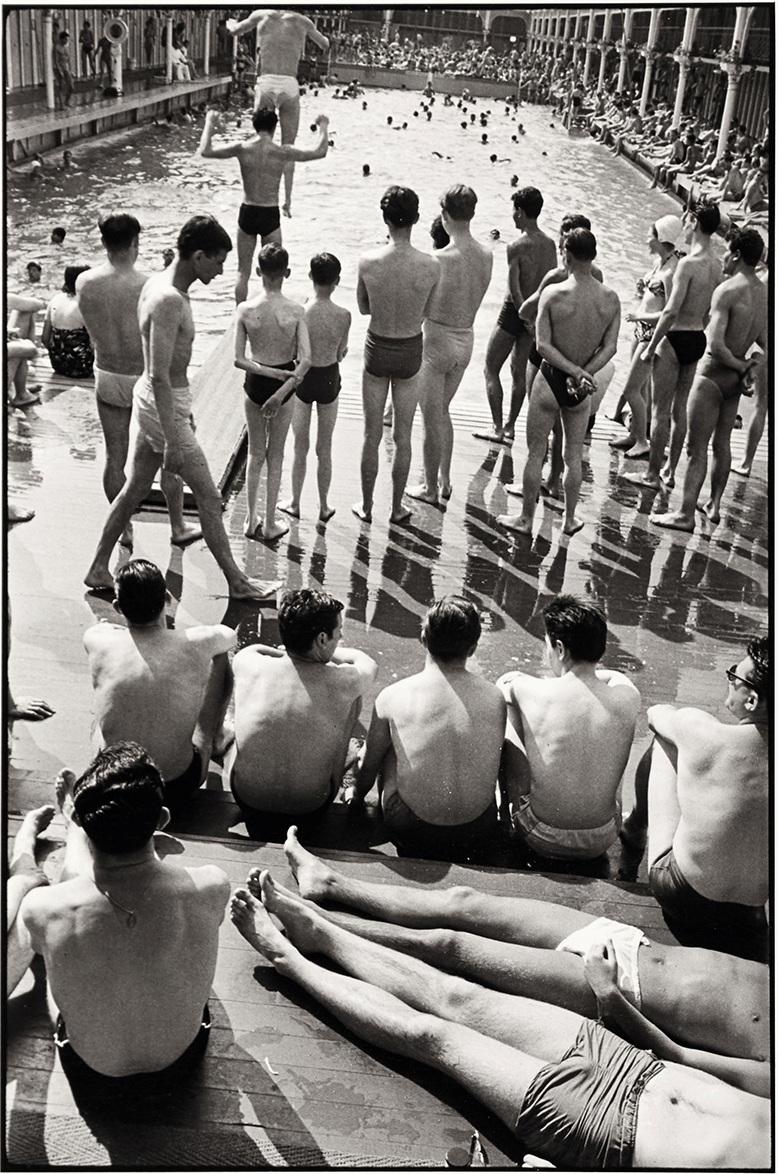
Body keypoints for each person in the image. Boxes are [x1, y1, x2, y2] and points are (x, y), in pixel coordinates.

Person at [231, 875, 769, 1170]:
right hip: (632, 1065)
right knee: (457, 996)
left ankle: (289, 959)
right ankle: (321, 933)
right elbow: (686, 1058)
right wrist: (610, 999)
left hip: (609, 1136)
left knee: (433, 1037)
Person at [239, 833, 770, 1097]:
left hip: (625, 991)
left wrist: (609, 996)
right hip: (628, 943)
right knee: (464, 903)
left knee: (449, 947)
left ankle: (319, 929)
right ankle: (331, 885)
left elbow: (680, 1059)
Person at [8, 744, 230, 1087]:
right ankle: (128, 844)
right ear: (161, 819)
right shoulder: (213, 883)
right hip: (182, 1064)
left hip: (93, 1074)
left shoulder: (42, 907)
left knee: (64, 895)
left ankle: (60, 836)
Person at [84, 215, 274, 602]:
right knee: (209, 496)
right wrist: (172, 436)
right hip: (161, 406)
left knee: (135, 487)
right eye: (219, 261)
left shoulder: (156, 283)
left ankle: (98, 566)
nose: (222, 271)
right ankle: (237, 582)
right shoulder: (169, 299)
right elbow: (157, 374)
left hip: (160, 403)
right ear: (199, 256)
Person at [622, 636, 769, 963]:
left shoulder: (704, 732)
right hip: (750, 912)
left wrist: (696, 729)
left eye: (735, 677)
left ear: (752, 700)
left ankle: (633, 831)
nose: (730, 681)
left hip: (684, 895)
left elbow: (656, 713)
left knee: (666, 741)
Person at [76, 213, 199, 551]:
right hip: (143, 379)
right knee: (167, 453)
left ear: (103, 242)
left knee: (115, 458)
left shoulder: (84, 282)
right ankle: (177, 525)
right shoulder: (148, 284)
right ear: (135, 243)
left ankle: (125, 529)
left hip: (107, 375)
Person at [351, 597, 506, 860]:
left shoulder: (393, 695)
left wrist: (356, 798)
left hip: (414, 828)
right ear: (472, 648)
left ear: (423, 638)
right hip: (477, 826)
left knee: (388, 749)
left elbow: (369, 765)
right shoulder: (495, 696)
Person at [83, 559, 236, 811]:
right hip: (175, 785)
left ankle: (108, 758)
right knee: (219, 654)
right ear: (166, 598)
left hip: (114, 782)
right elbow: (229, 636)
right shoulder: (198, 642)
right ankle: (214, 735)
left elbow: (103, 632)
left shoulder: (97, 638)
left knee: (100, 714)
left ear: (117, 607)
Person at [497, 229, 619, 537]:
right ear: (593, 256)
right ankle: (569, 519)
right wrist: (584, 372)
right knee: (572, 455)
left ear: (566, 254)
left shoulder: (554, 294)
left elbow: (542, 345)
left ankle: (525, 519)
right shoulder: (610, 298)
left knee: (535, 450)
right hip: (582, 387)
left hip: (551, 378)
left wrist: (570, 370)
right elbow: (610, 348)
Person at [498, 596, 639, 861]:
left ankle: (507, 815)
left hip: (542, 835)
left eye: (547, 645)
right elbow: (618, 677)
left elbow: (505, 683)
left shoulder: (528, 690)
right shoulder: (628, 697)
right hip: (603, 835)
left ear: (560, 649)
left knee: (506, 711)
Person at [230, 588, 377, 840]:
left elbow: (257, 649)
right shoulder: (344, 681)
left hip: (248, 799)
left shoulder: (248, 662)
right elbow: (367, 664)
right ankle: (341, 763)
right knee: (353, 698)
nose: (340, 636)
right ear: (321, 639)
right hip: (309, 807)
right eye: (338, 631)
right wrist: (329, 660)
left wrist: (288, 650)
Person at [653, 229, 767, 531]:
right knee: (723, 444)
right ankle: (714, 506)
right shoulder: (765, 293)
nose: (724, 258)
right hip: (733, 381)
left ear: (738, 255)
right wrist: (749, 367)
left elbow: (716, 345)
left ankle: (685, 513)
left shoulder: (727, 290)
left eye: (727, 252)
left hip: (713, 375)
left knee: (695, 447)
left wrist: (742, 365)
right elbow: (767, 343)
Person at [353, 186, 439, 525]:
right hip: (409, 350)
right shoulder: (431, 265)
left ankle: (366, 506)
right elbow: (427, 312)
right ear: (416, 219)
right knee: (403, 436)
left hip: (377, 348)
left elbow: (362, 307)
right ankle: (397, 508)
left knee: (371, 435)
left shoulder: (368, 262)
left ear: (385, 218)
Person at [624, 203, 722, 491]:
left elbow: (669, 313)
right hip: (696, 338)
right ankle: (669, 470)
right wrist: (698, 329)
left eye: (687, 221)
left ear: (693, 222)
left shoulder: (687, 264)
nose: (685, 226)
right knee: (680, 411)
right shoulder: (717, 265)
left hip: (674, 338)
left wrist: (651, 346)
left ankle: (652, 475)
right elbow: (708, 312)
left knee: (661, 411)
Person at [406, 185, 493, 505]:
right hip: (466, 339)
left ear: (444, 215)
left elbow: (420, 309)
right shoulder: (487, 254)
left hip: (437, 341)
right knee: (443, 410)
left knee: (431, 417)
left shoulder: (437, 258)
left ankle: (429, 488)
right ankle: (443, 480)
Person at [198, 107, 330, 303]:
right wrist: (323, 126)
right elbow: (319, 152)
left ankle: (238, 315)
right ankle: (271, 308)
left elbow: (205, 151)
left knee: (242, 271)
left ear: (254, 126)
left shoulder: (242, 148)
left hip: (248, 209)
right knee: (274, 271)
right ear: (275, 127)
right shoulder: (281, 152)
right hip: (269, 212)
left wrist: (209, 122)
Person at [234, 242, 311, 542]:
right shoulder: (296, 310)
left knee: (255, 453)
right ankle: (268, 524)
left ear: (257, 271)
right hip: (285, 386)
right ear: (287, 272)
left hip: (255, 383)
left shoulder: (246, 309)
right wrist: (282, 389)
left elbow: (239, 359)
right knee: (276, 455)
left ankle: (250, 520)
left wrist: (266, 373)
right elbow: (307, 360)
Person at [225, 9, 330, 212]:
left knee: (260, 142)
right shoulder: (302, 21)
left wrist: (231, 24)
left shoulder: (260, 15)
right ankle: (287, 201)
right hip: (289, 84)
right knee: (288, 148)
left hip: (266, 82)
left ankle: (255, 196)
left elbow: (235, 31)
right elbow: (325, 44)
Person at [475, 187, 556, 446]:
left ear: (520, 212)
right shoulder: (551, 244)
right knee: (519, 373)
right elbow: (549, 283)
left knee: (490, 367)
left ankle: (497, 427)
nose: (512, 215)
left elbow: (514, 288)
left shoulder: (515, 246)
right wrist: (533, 321)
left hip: (514, 312)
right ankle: (510, 427)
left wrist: (522, 316)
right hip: (535, 312)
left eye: (514, 210)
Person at [280, 252, 351, 523]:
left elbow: (294, 351)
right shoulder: (344, 315)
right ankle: (323, 506)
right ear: (337, 281)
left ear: (310, 277)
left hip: (304, 379)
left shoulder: (300, 313)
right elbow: (341, 352)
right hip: (329, 378)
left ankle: (296, 502)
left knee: (300, 445)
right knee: (325, 447)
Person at [41, 264, 94, 379]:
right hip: (82, 367)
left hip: (57, 365)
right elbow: (94, 344)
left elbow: (45, 338)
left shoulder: (55, 299)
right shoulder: (85, 305)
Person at [53, 31, 73, 110]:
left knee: (71, 86)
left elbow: (68, 60)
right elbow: (56, 60)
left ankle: (66, 101)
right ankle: (62, 105)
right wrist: (60, 71)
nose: (67, 41)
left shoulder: (66, 48)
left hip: (66, 68)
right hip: (59, 68)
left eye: (67, 39)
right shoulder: (57, 47)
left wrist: (70, 70)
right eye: (65, 39)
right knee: (61, 86)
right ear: (61, 39)